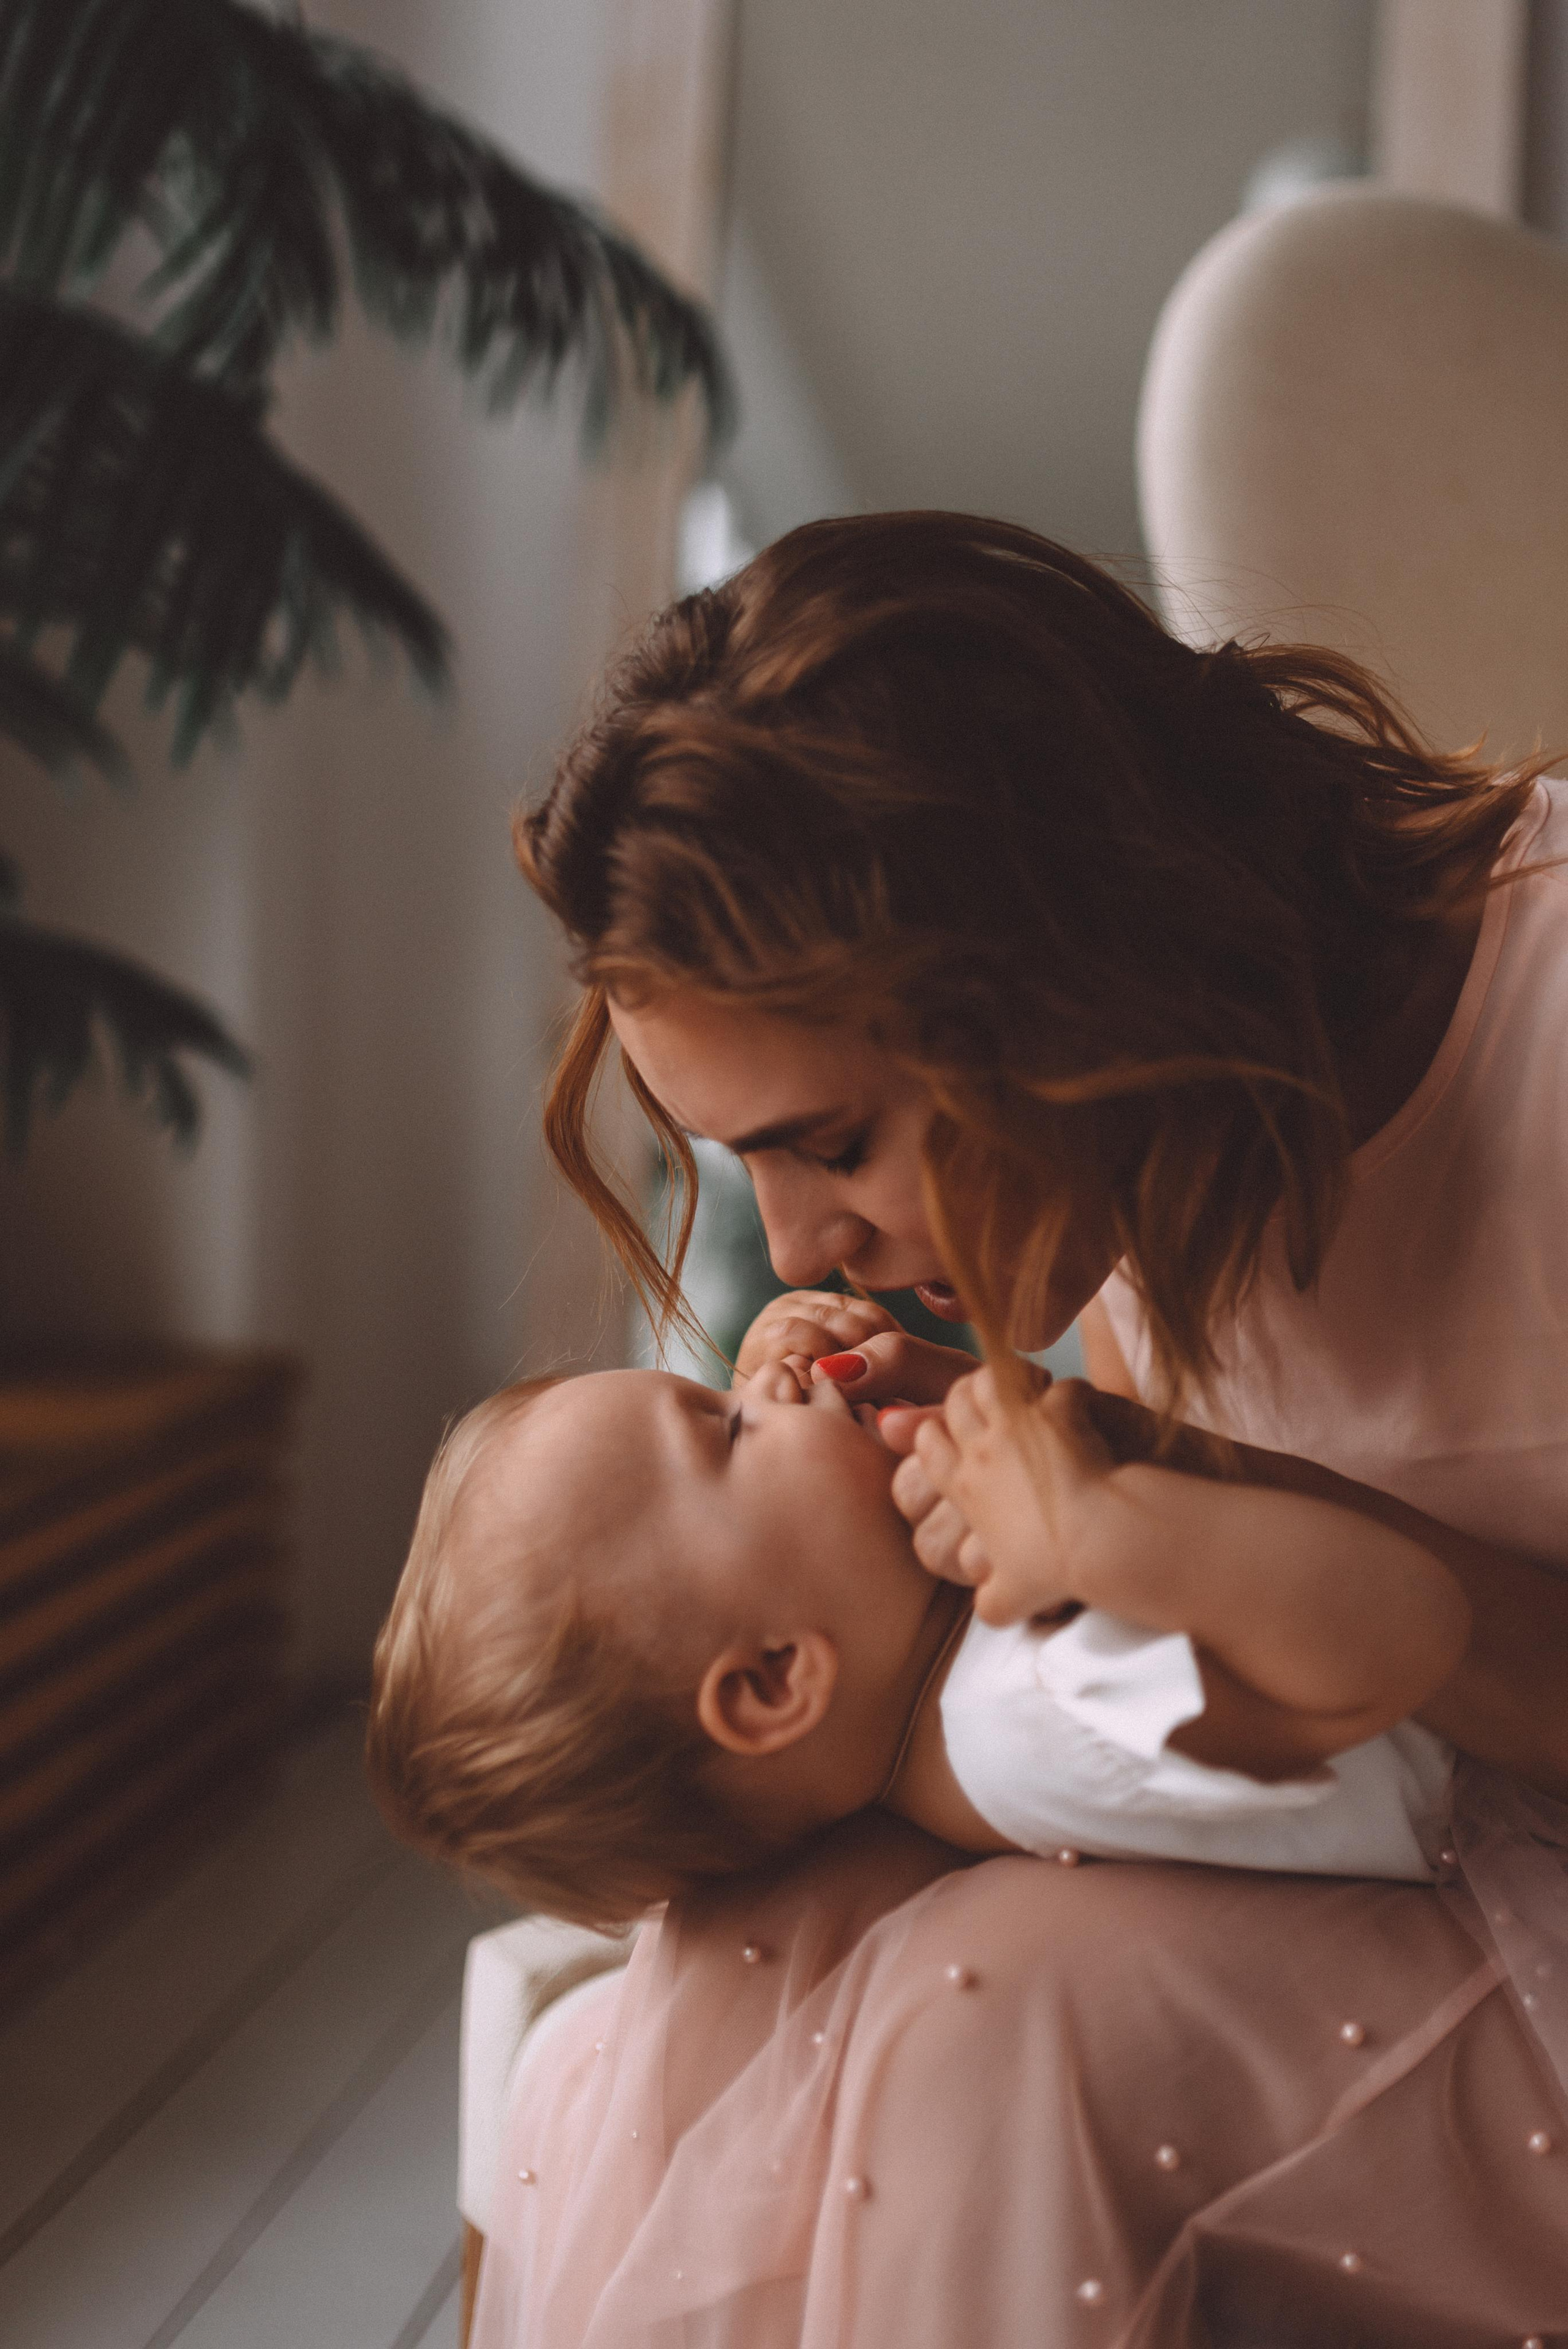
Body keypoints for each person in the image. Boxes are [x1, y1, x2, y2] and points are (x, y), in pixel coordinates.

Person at [476, 512, 1568, 2345]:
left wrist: (1180, 1490)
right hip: (1419, 1863)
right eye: (747, 1159)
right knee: (735, 1958)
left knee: (999, 2013)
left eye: (833, 1142)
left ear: (1070, 973)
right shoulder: (1124, 1167)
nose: (807, 1252)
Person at [368, 1360, 1469, 1916]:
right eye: (735, 1423)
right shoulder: (1039, 1715)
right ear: (775, 1677)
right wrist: (1093, 1530)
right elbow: (1416, 1630)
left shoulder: (929, 1675)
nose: (773, 1381)